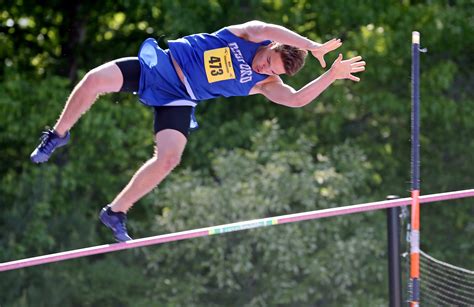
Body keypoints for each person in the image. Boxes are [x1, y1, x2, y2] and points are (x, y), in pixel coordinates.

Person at [30, 20, 366, 242]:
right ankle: (58, 135)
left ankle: (115, 213)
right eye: (266, 60)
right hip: (159, 69)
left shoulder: (265, 83)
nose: (262, 67)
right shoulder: (248, 35)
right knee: (93, 80)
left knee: (168, 158)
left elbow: (295, 100)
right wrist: (312, 45)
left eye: (270, 70)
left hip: (180, 98)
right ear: (270, 46)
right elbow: (268, 27)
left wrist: (330, 76)